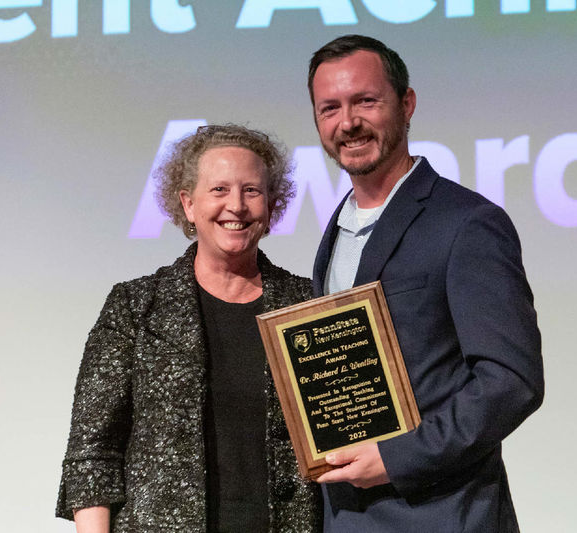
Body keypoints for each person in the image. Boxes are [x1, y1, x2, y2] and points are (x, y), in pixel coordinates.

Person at [307, 35, 545, 531]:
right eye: (330, 107)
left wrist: (397, 457)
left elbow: (511, 382)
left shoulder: (466, 222)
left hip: (444, 516)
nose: (347, 122)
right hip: (348, 519)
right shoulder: (336, 229)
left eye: (365, 101)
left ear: (407, 103)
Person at [56, 124, 322, 532]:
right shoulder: (135, 307)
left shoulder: (309, 305)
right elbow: (93, 452)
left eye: (252, 191)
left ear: (272, 205)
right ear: (189, 204)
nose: (236, 205)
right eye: (219, 190)